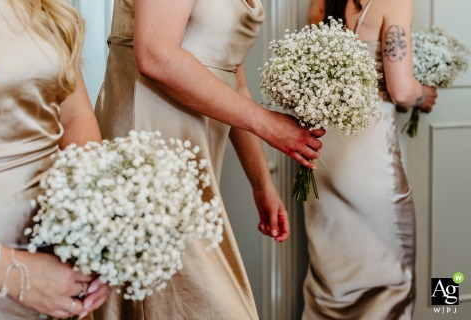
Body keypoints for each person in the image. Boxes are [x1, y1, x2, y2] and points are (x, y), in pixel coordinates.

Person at [92, 0, 325, 319]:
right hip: (150, 153)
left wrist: (261, 183)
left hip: (196, 165)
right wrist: (270, 124)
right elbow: (155, 55)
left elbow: (234, 80)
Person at [302, 0, 437, 319]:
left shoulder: (320, 4)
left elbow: (307, 80)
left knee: (331, 282)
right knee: (391, 280)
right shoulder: (395, 2)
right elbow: (402, 91)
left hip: (322, 151)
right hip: (369, 157)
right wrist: (425, 95)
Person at [0, 0, 111, 319]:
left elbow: (74, 116)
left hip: (54, 257)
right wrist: (6, 270)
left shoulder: (43, 6)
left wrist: (100, 231)